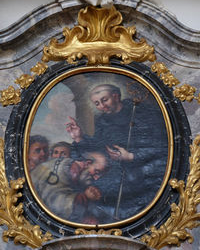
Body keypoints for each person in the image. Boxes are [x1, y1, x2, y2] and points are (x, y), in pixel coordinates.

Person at [65, 84, 169, 222]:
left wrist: (131, 156)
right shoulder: (102, 120)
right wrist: (79, 137)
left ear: (116, 96)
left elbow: (162, 147)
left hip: (147, 174)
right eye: (97, 103)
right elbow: (100, 146)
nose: (102, 106)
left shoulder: (141, 112)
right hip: (118, 176)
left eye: (104, 100)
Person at [31, 150, 109, 223]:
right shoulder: (64, 170)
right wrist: (85, 196)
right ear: (88, 163)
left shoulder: (74, 170)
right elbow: (57, 206)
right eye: (97, 172)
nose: (96, 178)